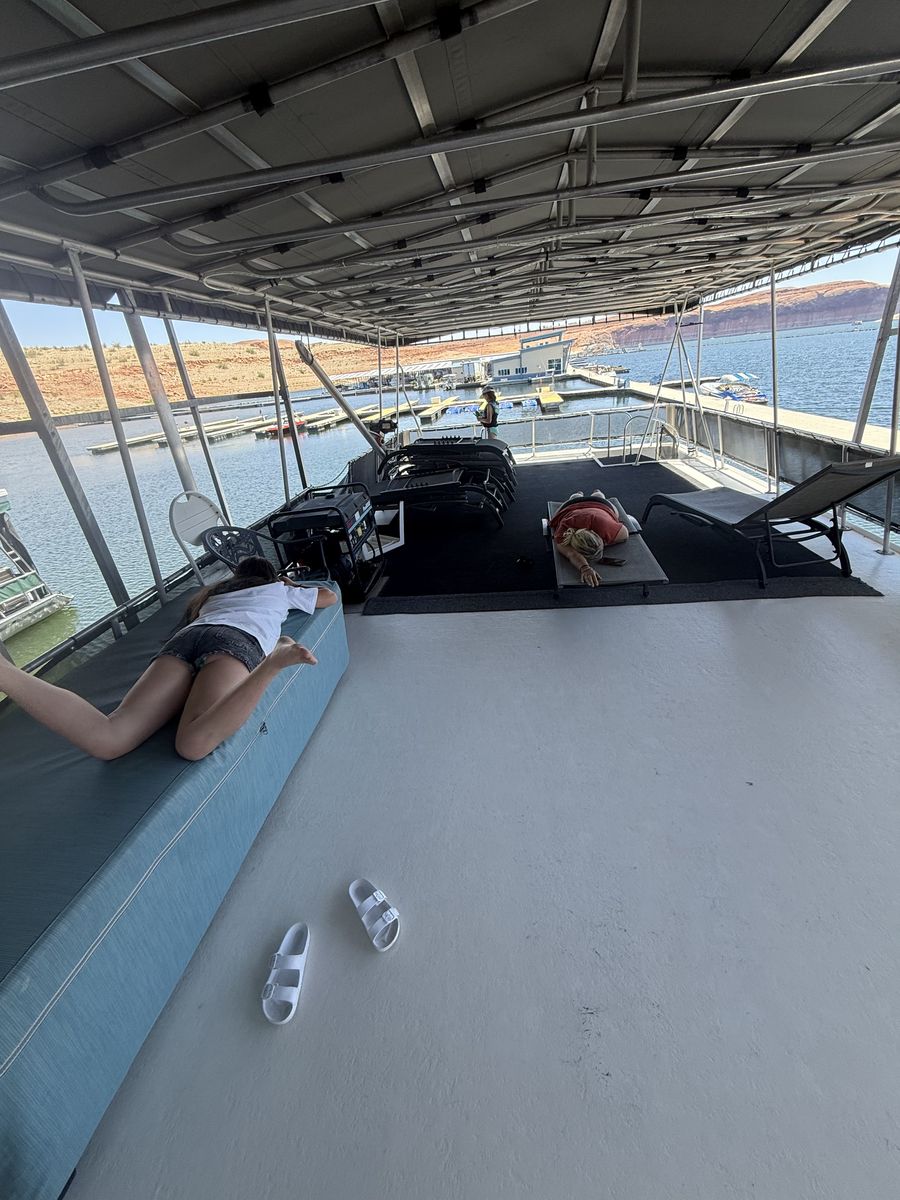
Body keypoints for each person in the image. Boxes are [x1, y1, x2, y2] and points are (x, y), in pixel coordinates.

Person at [0, 557, 337, 762]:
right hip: (236, 641)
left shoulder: (213, 595)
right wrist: (290, 584)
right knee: (193, 744)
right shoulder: (279, 590)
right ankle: (273, 662)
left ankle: (6, 674)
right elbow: (328, 596)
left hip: (187, 639)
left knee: (109, 738)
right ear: (272, 578)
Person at [549, 490, 629, 587]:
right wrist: (585, 568)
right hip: (574, 506)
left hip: (594, 504)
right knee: (593, 496)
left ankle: (585, 494)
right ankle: (590, 494)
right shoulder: (562, 535)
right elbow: (572, 554)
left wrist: (605, 543)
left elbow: (625, 534)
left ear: (594, 532)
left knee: (586, 497)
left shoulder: (605, 527)